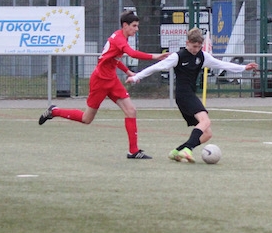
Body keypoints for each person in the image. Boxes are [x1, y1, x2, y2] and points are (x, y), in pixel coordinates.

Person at [38, 11, 169, 159]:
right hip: (100, 81)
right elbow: (132, 54)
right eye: (134, 26)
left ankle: (133, 151)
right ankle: (54, 111)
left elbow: (113, 59)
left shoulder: (120, 37)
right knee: (87, 119)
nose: (136, 29)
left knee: (131, 111)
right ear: (125, 25)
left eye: (137, 26)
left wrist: (128, 72)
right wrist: (155, 56)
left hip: (112, 80)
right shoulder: (119, 39)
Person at [125, 27, 258, 163]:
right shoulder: (178, 56)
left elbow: (221, 64)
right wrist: (136, 77)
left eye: (199, 47)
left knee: (207, 134)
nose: (196, 49)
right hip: (183, 95)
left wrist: (243, 68)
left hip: (189, 95)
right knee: (205, 121)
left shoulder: (203, 56)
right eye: (194, 46)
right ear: (187, 43)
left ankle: (176, 151)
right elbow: (156, 67)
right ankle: (188, 150)